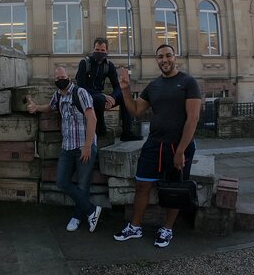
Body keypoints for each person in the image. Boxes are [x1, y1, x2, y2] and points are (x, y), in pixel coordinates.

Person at [113, 44, 201, 248]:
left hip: (178, 146)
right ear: (157, 60)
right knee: (142, 184)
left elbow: (193, 118)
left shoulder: (188, 82)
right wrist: (125, 90)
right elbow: (136, 111)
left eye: (168, 55)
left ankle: (167, 229)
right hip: (154, 144)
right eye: (160, 57)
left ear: (175, 57)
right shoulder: (154, 86)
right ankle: (135, 227)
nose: (165, 60)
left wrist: (180, 151)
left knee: (174, 188)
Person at [27, 66, 102, 233]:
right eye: (56, 78)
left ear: (68, 77)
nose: (59, 79)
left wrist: (88, 146)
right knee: (61, 182)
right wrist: (36, 108)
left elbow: (92, 119)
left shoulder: (80, 93)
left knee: (83, 185)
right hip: (67, 146)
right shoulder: (58, 95)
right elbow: (50, 107)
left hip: (84, 145)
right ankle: (91, 210)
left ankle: (77, 217)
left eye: (62, 76)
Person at [76, 37, 142, 141]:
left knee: (124, 96)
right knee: (100, 99)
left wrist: (112, 98)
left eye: (102, 50)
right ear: (93, 50)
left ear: (107, 51)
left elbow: (117, 86)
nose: (99, 52)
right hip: (86, 97)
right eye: (97, 50)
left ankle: (127, 132)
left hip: (101, 97)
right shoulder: (85, 63)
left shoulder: (108, 65)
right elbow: (80, 86)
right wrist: (103, 96)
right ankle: (101, 129)